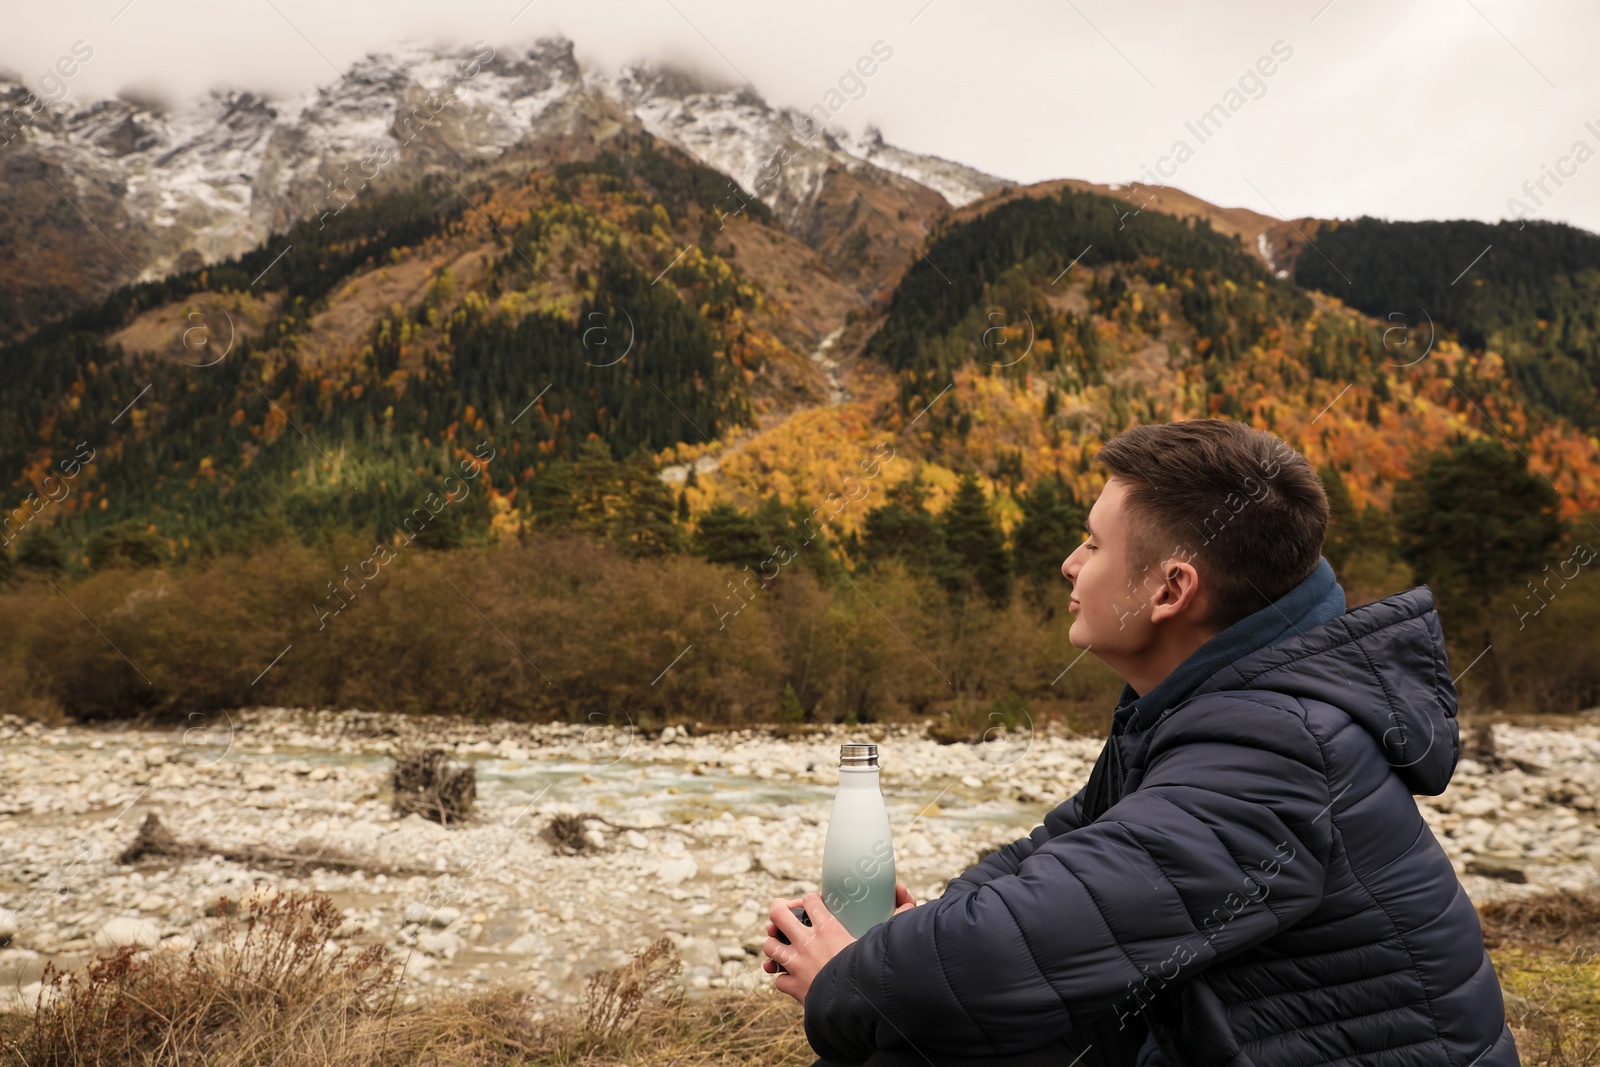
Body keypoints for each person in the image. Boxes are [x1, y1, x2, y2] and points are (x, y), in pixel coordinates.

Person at [763, 419, 1518, 1067]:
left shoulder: (1277, 751)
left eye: (1092, 544)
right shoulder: (1212, 710)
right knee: (935, 1022)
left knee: (919, 1015)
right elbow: (1055, 858)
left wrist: (849, 975)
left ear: (1170, 590)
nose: (1070, 562)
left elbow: (1008, 947)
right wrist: (920, 925)